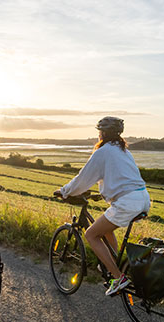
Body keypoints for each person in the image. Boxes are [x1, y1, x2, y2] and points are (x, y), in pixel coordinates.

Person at [54, 116, 150, 296]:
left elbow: (83, 178)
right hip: (142, 198)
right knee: (105, 229)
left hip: (127, 203)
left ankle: (118, 278)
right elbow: (121, 177)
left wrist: (65, 191)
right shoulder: (123, 150)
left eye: (99, 132)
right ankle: (116, 264)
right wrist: (104, 192)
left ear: (103, 133)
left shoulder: (103, 151)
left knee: (91, 234)